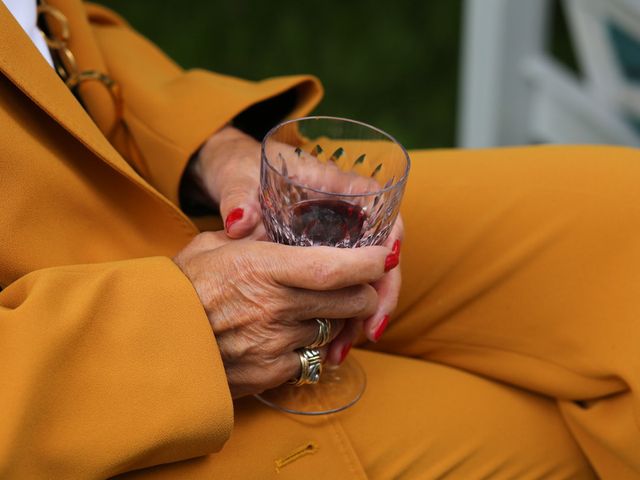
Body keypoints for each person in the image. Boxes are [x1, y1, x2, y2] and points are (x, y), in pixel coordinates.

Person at [0, 0, 638, 478]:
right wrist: (181, 332)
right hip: (85, 393)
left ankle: (312, 352)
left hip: (162, 191)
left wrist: (212, 149)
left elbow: (47, 29)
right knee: (545, 441)